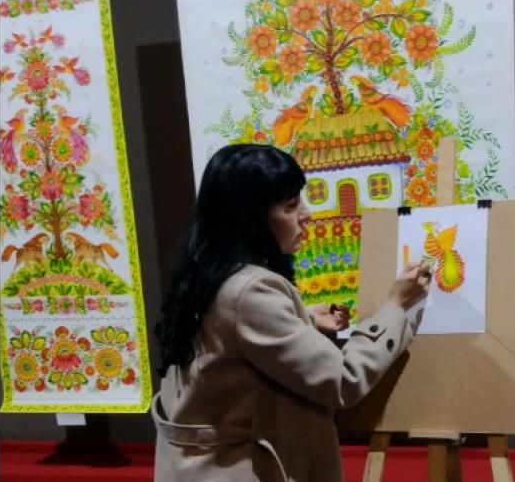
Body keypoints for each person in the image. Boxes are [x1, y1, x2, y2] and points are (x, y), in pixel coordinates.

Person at [152, 144, 431, 481]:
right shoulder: (250, 291)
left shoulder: (208, 270)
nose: (306, 213)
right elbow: (344, 380)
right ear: (251, 219)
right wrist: (396, 307)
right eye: (290, 205)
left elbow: (226, 339)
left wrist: (304, 320)